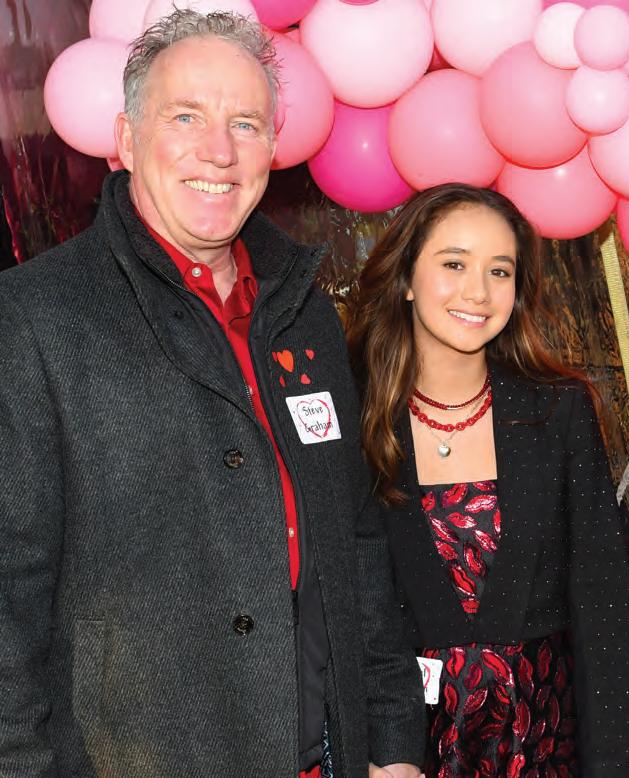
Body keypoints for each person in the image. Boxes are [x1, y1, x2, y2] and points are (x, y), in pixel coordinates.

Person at [0, 9, 425, 778]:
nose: (219, 151)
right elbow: (8, 599)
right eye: (186, 116)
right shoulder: (33, 318)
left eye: (245, 124)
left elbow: (354, 537)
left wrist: (392, 739)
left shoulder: (304, 311)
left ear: (273, 145)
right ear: (127, 139)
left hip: (326, 752)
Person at [346, 183, 629, 778]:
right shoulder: (351, 417)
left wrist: (613, 762)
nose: (478, 291)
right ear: (406, 277)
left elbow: (603, 605)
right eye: (454, 264)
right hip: (405, 753)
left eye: (499, 271)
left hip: (545, 745)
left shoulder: (558, 410)